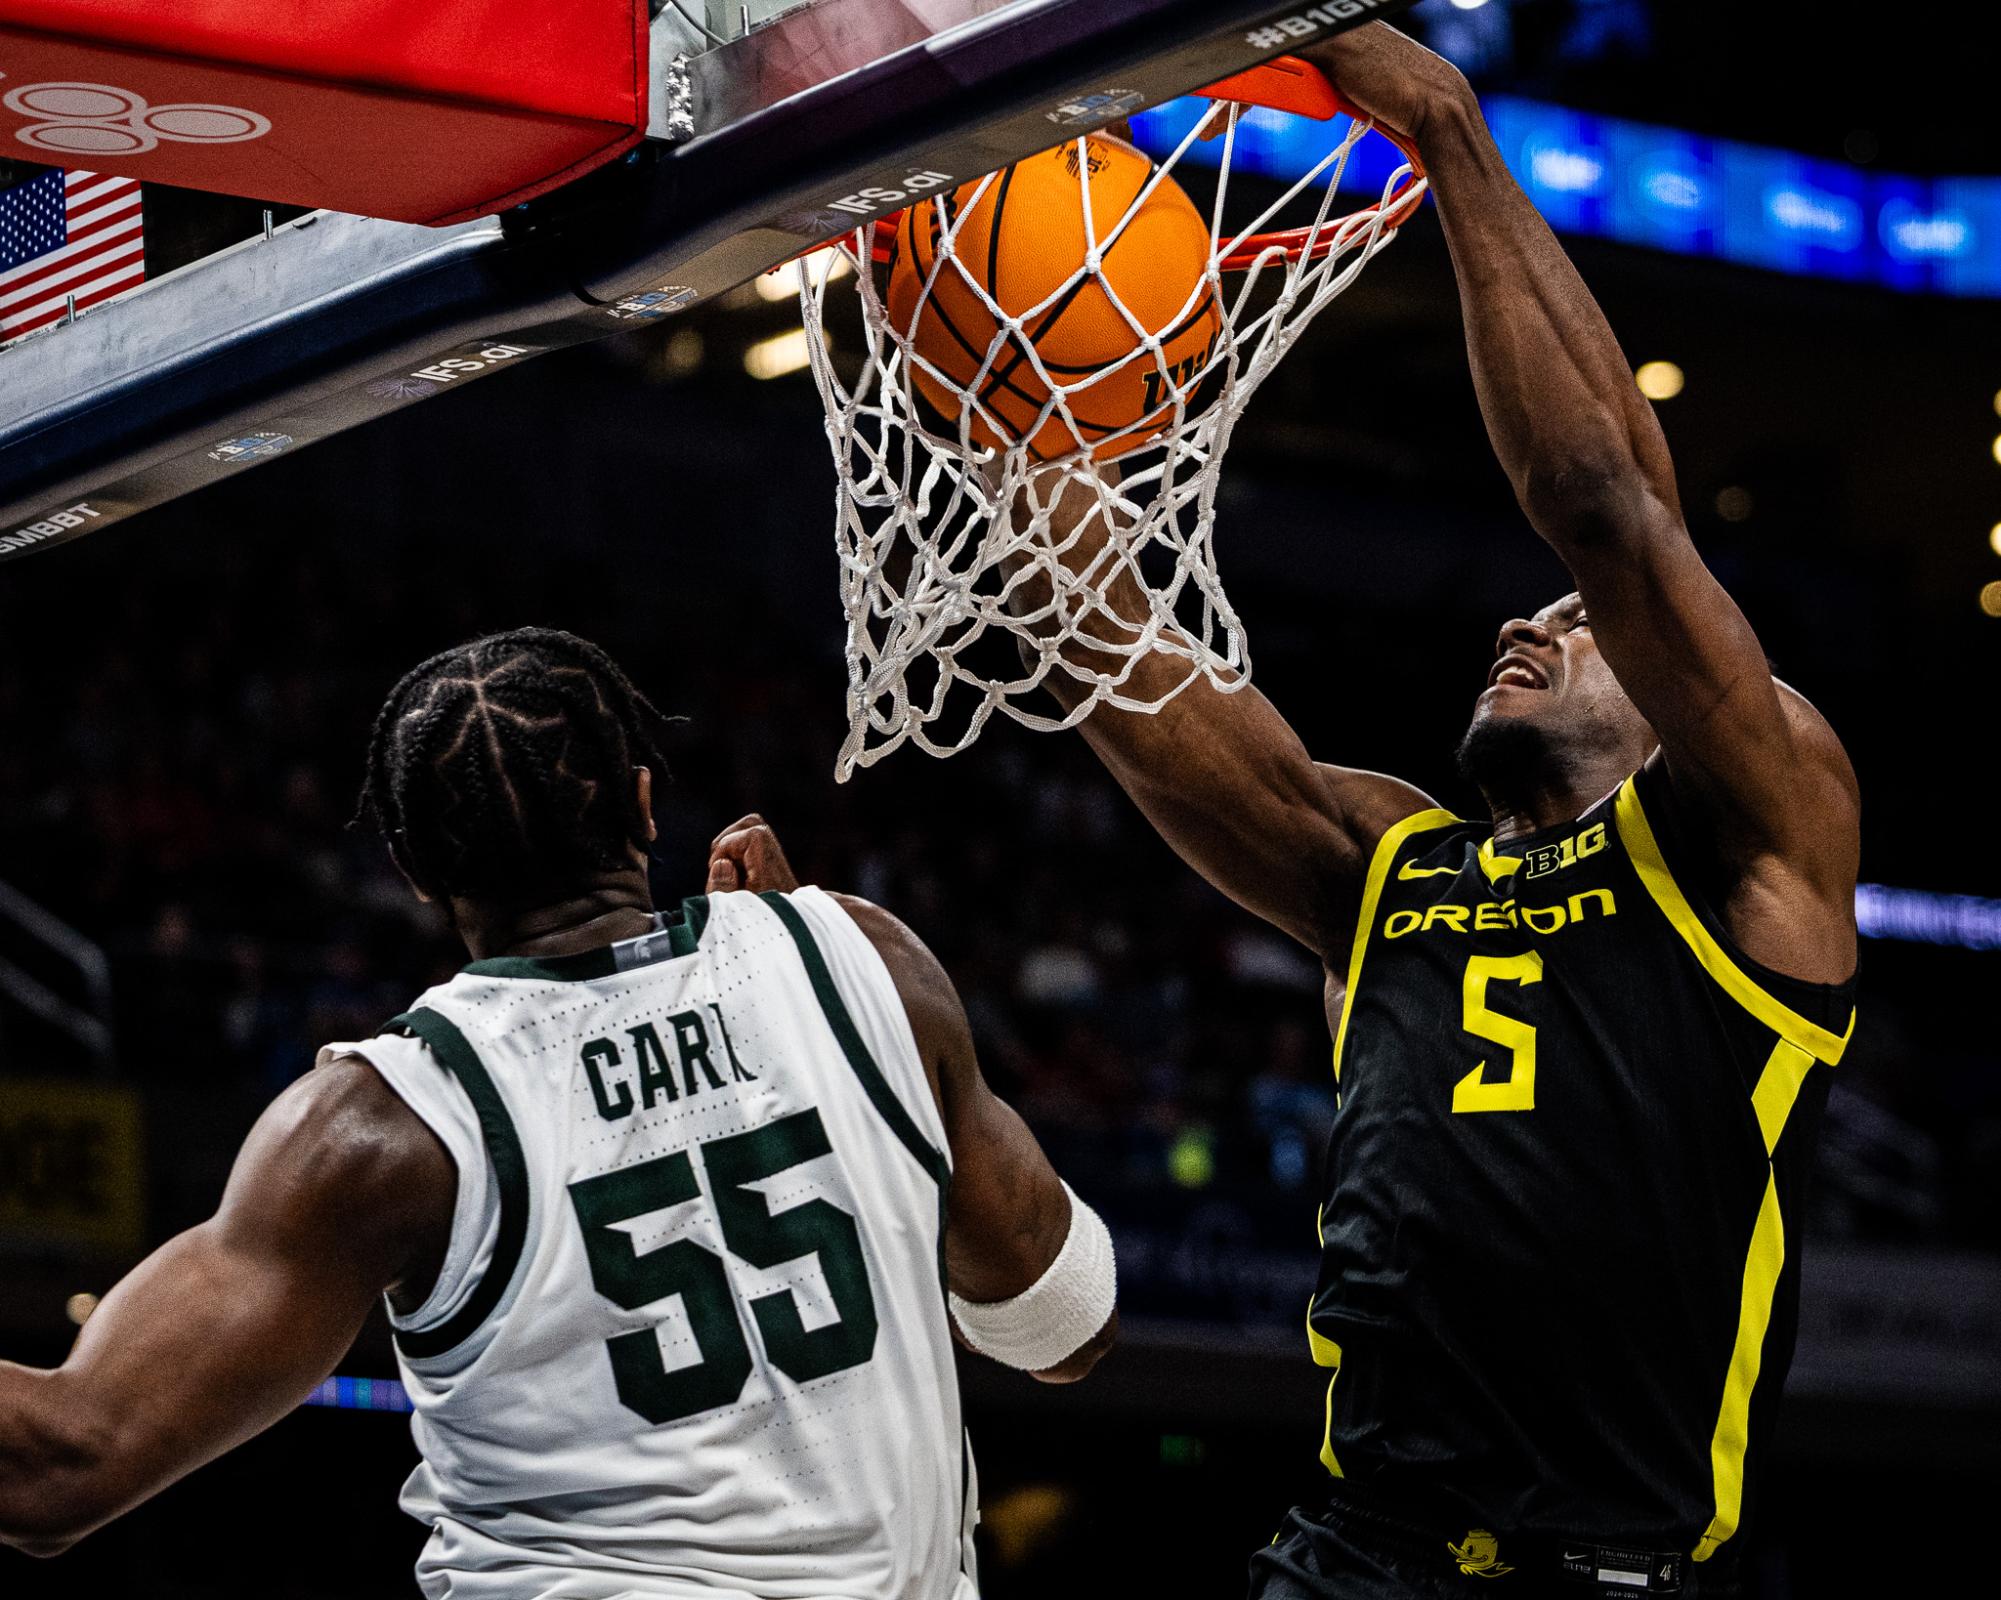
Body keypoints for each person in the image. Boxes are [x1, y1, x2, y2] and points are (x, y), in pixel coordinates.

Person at [1016, 22, 1856, 1599]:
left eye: (1576, 627)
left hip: (1607, 1568)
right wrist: (1007, 415)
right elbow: (1124, 684)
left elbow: (1610, 508)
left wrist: (1443, 128)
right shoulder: (1385, 864)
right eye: (1525, 620)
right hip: (1351, 1556)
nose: (1520, 628)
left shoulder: (1753, 829)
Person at [0, 627, 1117, 1599]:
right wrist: (823, 1025)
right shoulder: (857, 957)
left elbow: (59, 1466)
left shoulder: (381, 1128)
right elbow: (1066, 1329)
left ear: (413, 867)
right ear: (644, 797)